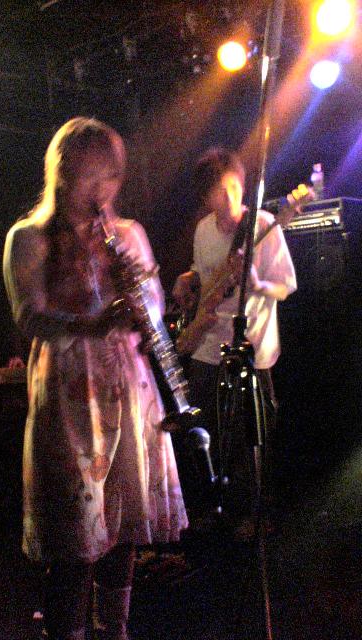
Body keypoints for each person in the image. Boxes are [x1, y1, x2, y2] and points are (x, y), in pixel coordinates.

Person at [3, 117, 187, 640]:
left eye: (111, 177)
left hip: (128, 390)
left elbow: (154, 309)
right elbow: (29, 317)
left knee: (123, 528)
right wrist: (92, 322)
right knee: (75, 543)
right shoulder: (28, 238)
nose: (102, 190)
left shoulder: (128, 234)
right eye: (91, 176)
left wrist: (140, 296)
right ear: (62, 176)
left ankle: (115, 630)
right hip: (69, 399)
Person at [173, 147, 308, 535]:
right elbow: (204, 271)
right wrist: (188, 279)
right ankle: (208, 507)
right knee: (203, 431)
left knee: (251, 435)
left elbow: (286, 286)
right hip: (207, 343)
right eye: (221, 192)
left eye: (235, 188)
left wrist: (258, 284)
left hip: (252, 348)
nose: (231, 198)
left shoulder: (263, 224)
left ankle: (252, 514)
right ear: (206, 197)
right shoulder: (203, 229)